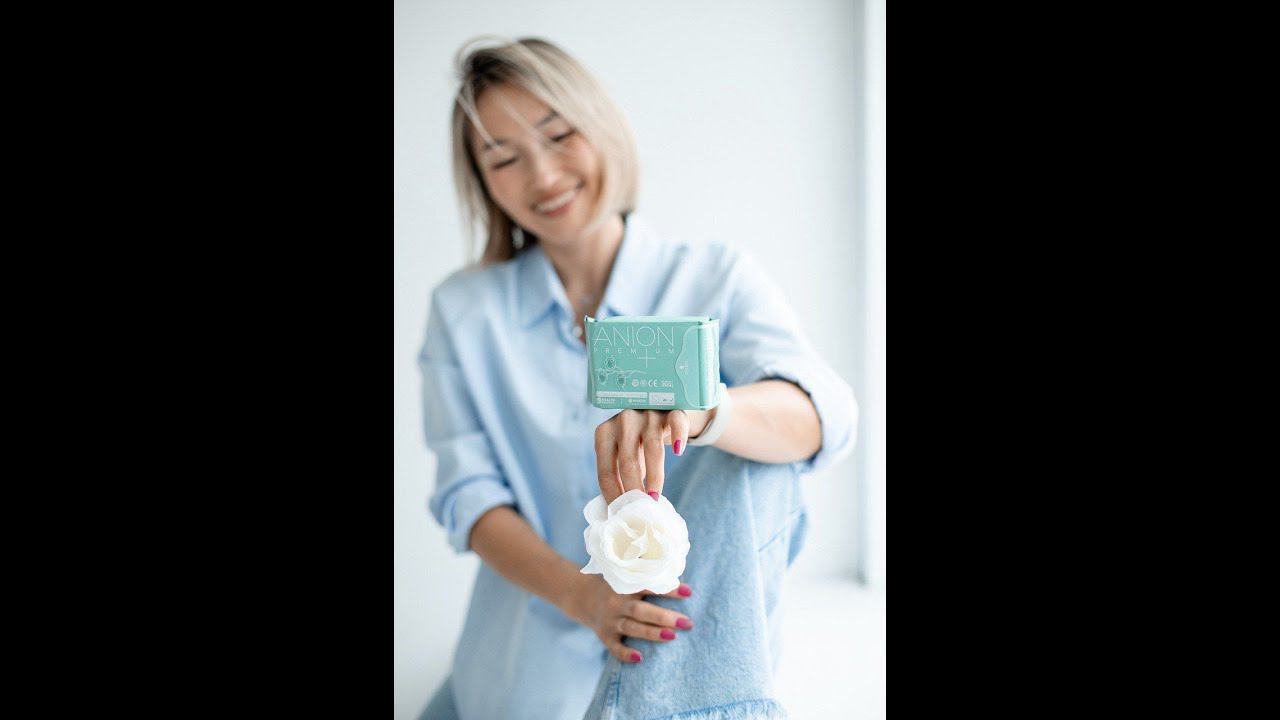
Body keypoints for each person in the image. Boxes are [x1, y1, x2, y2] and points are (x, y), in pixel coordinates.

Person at [418, 36, 857, 720]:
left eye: (559, 136)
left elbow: (826, 416)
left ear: (602, 128)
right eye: (503, 157)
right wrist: (584, 596)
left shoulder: (714, 277)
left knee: (752, 452)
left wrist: (707, 412)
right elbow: (467, 497)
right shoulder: (464, 311)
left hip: (686, 665)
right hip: (521, 684)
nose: (543, 176)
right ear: (482, 181)